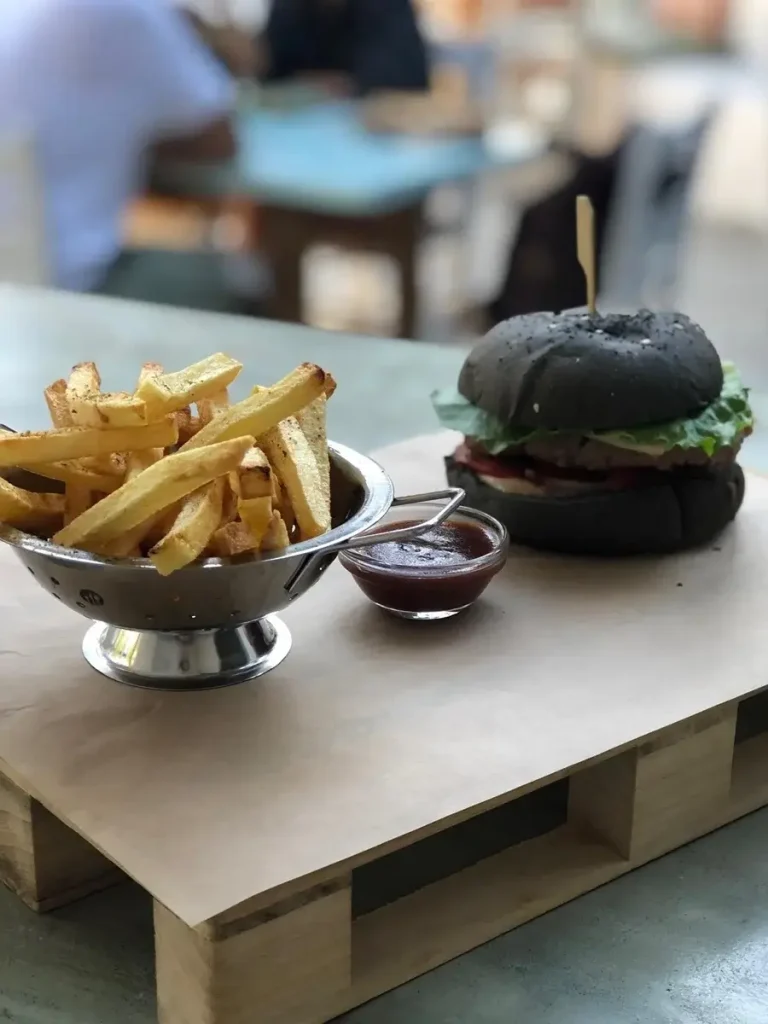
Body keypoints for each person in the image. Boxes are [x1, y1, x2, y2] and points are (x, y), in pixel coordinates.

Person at [0, 0, 254, 298]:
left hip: (17, 281)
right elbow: (219, 140)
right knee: (233, 279)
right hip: (72, 284)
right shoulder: (131, 12)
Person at [260, 0, 431, 97]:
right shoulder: (288, 8)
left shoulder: (386, 7)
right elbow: (272, 73)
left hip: (382, 136)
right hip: (299, 134)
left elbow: (408, 79)